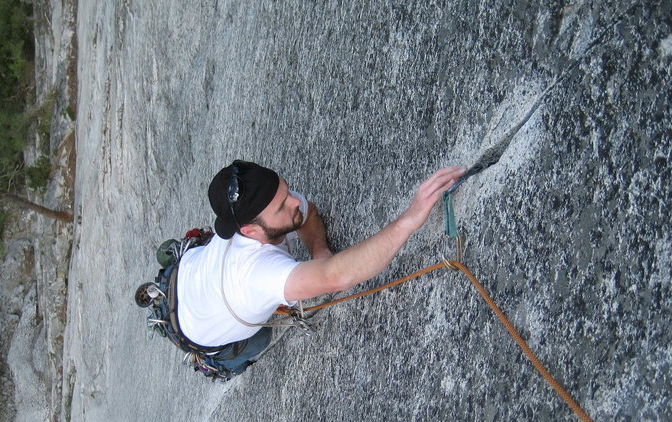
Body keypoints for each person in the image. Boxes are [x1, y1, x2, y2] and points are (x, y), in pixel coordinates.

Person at [175, 159, 466, 376]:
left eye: (286, 191)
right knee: (259, 338)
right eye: (282, 206)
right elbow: (336, 276)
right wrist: (409, 219)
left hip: (189, 269)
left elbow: (308, 211)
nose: (294, 202)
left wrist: (320, 251)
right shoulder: (255, 276)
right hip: (198, 334)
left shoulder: (264, 213)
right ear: (250, 231)